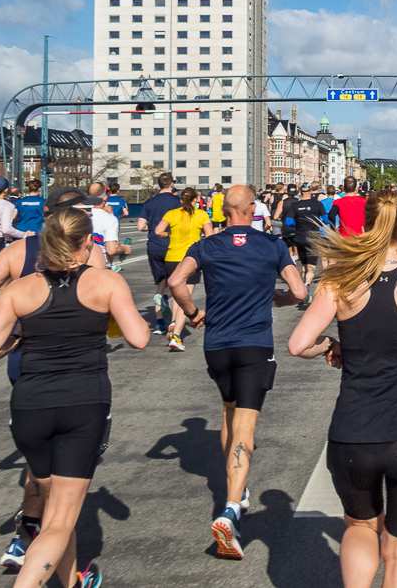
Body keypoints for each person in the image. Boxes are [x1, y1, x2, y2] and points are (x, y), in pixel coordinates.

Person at [287, 190, 397, 588]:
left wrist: (332, 346)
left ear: (366, 225)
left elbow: (298, 344)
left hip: (353, 434)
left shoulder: (340, 277)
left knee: (360, 526)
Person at [0, 207, 149, 588]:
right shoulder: (106, 283)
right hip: (83, 405)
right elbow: (139, 338)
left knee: (52, 507)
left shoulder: (21, 289)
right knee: (58, 523)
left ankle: (73, 583)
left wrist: (21, 337)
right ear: (87, 242)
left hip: (30, 407)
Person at [0, 187, 108, 572]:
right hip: (77, 370)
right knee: (58, 472)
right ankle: (33, 535)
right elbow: (103, 303)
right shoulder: (88, 252)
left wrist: (14, 328)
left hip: (26, 360)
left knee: (37, 457)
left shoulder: (18, 251)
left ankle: (26, 534)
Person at [168, 186, 307, 559]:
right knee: (246, 425)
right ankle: (230, 507)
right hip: (254, 345)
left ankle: (237, 489)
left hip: (217, 346)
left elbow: (175, 282)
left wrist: (194, 314)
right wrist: (274, 297)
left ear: (225, 212)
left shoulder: (207, 246)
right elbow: (299, 290)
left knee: (228, 409)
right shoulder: (271, 245)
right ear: (249, 209)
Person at [155, 187, 215, 351]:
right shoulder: (201, 215)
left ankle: (173, 321)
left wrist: (169, 235)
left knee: (176, 293)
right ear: (196, 200)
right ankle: (176, 335)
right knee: (185, 297)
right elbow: (210, 237)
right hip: (191, 260)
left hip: (171, 257)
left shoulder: (172, 214)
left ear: (181, 200)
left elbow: (157, 231)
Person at [136, 172, 182, 334]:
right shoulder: (179, 202)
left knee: (161, 283)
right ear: (172, 184)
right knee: (178, 283)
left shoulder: (149, 203)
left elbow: (140, 226)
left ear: (158, 184)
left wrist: (154, 226)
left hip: (154, 246)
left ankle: (159, 323)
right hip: (174, 245)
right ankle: (174, 322)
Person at [285, 183, 329, 294]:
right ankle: (307, 285)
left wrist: (298, 224)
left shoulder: (295, 206)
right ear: (311, 191)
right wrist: (319, 224)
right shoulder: (317, 204)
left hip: (300, 238)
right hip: (314, 238)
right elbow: (326, 220)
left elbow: (288, 222)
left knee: (304, 265)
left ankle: (303, 288)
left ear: (300, 192)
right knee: (311, 266)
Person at [87, 182, 131, 271]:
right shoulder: (110, 218)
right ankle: (112, 265)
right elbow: (112, 250)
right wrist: (124, 249)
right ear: (105, 197)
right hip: (97, 265)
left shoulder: (78, 214)